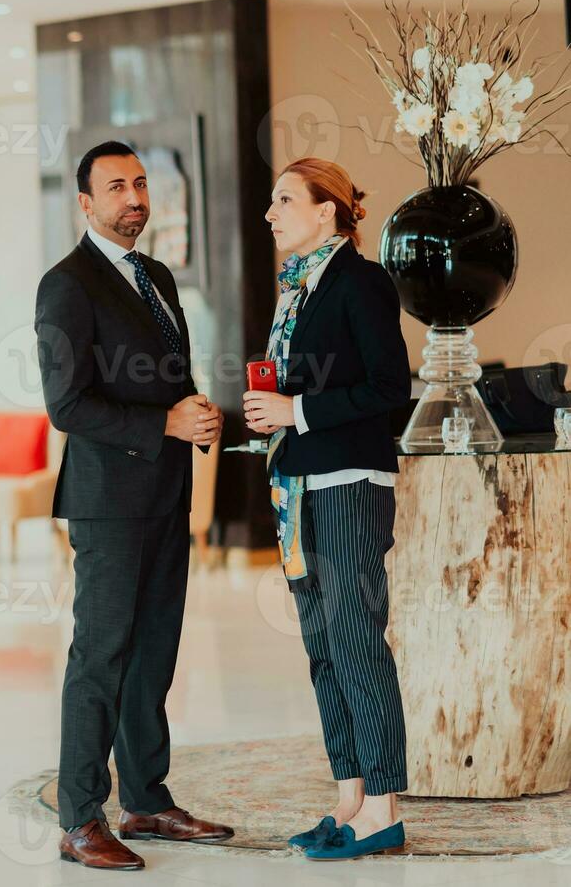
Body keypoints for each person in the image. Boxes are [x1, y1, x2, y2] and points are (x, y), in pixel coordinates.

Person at [35, 140, 230, 872]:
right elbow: (67, 404)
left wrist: (193, 412)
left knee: (154, 654)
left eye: (141, 184)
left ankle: (146, 798)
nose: (134, 198)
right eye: (116, 187)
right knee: (102, 655)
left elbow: (162, 383)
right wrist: (162, 425)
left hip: (164, 493)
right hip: (108, 501)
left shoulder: (158, 277)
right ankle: (80, 817)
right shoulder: (67, 285)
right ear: (86, 203)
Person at [243, 157, 412, 861]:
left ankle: (384, 807)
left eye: (285, 200)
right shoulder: (297, 289)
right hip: (299, 487)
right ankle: (349, 797)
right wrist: (276, 414)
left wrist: (296, 409)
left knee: (355, 642)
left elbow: (390, 388)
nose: (271, 213)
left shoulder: (361, 282)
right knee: (321, 648)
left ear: (327, 212)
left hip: (348, 484)